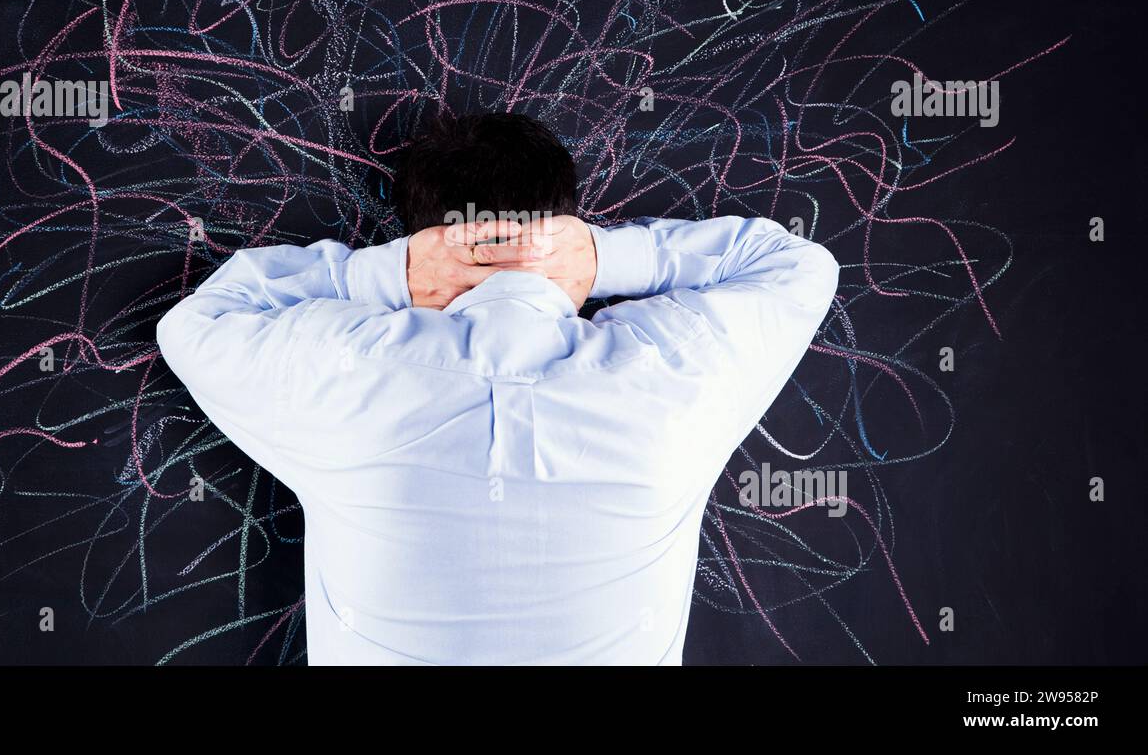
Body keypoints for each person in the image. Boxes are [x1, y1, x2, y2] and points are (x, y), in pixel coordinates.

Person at [155, 112, 839, 665]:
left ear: (420, 238)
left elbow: (197, 323)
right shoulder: (672, 372)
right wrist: (606, 257)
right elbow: (797, 266)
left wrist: (387, 275)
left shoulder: (347, 372)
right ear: (566, 225)